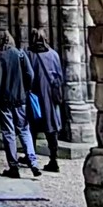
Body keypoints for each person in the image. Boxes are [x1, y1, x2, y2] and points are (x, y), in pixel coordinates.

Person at [0, 29, 41, 178]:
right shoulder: (20, 54)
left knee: (8, 132)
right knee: (24, 130)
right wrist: (25, 88)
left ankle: (14, 167)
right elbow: (30, 74)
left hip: (3, 99)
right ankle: (33, 163)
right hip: (20, 98)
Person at [27, 27, 64, 172]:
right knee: (51, 126)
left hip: (34, 96)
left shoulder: (29, 54)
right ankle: (53, 159)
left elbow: (27, 75)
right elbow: (59, 76)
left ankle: (31, 156)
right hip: (49, 95)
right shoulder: (53, 54)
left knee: (32, 127)